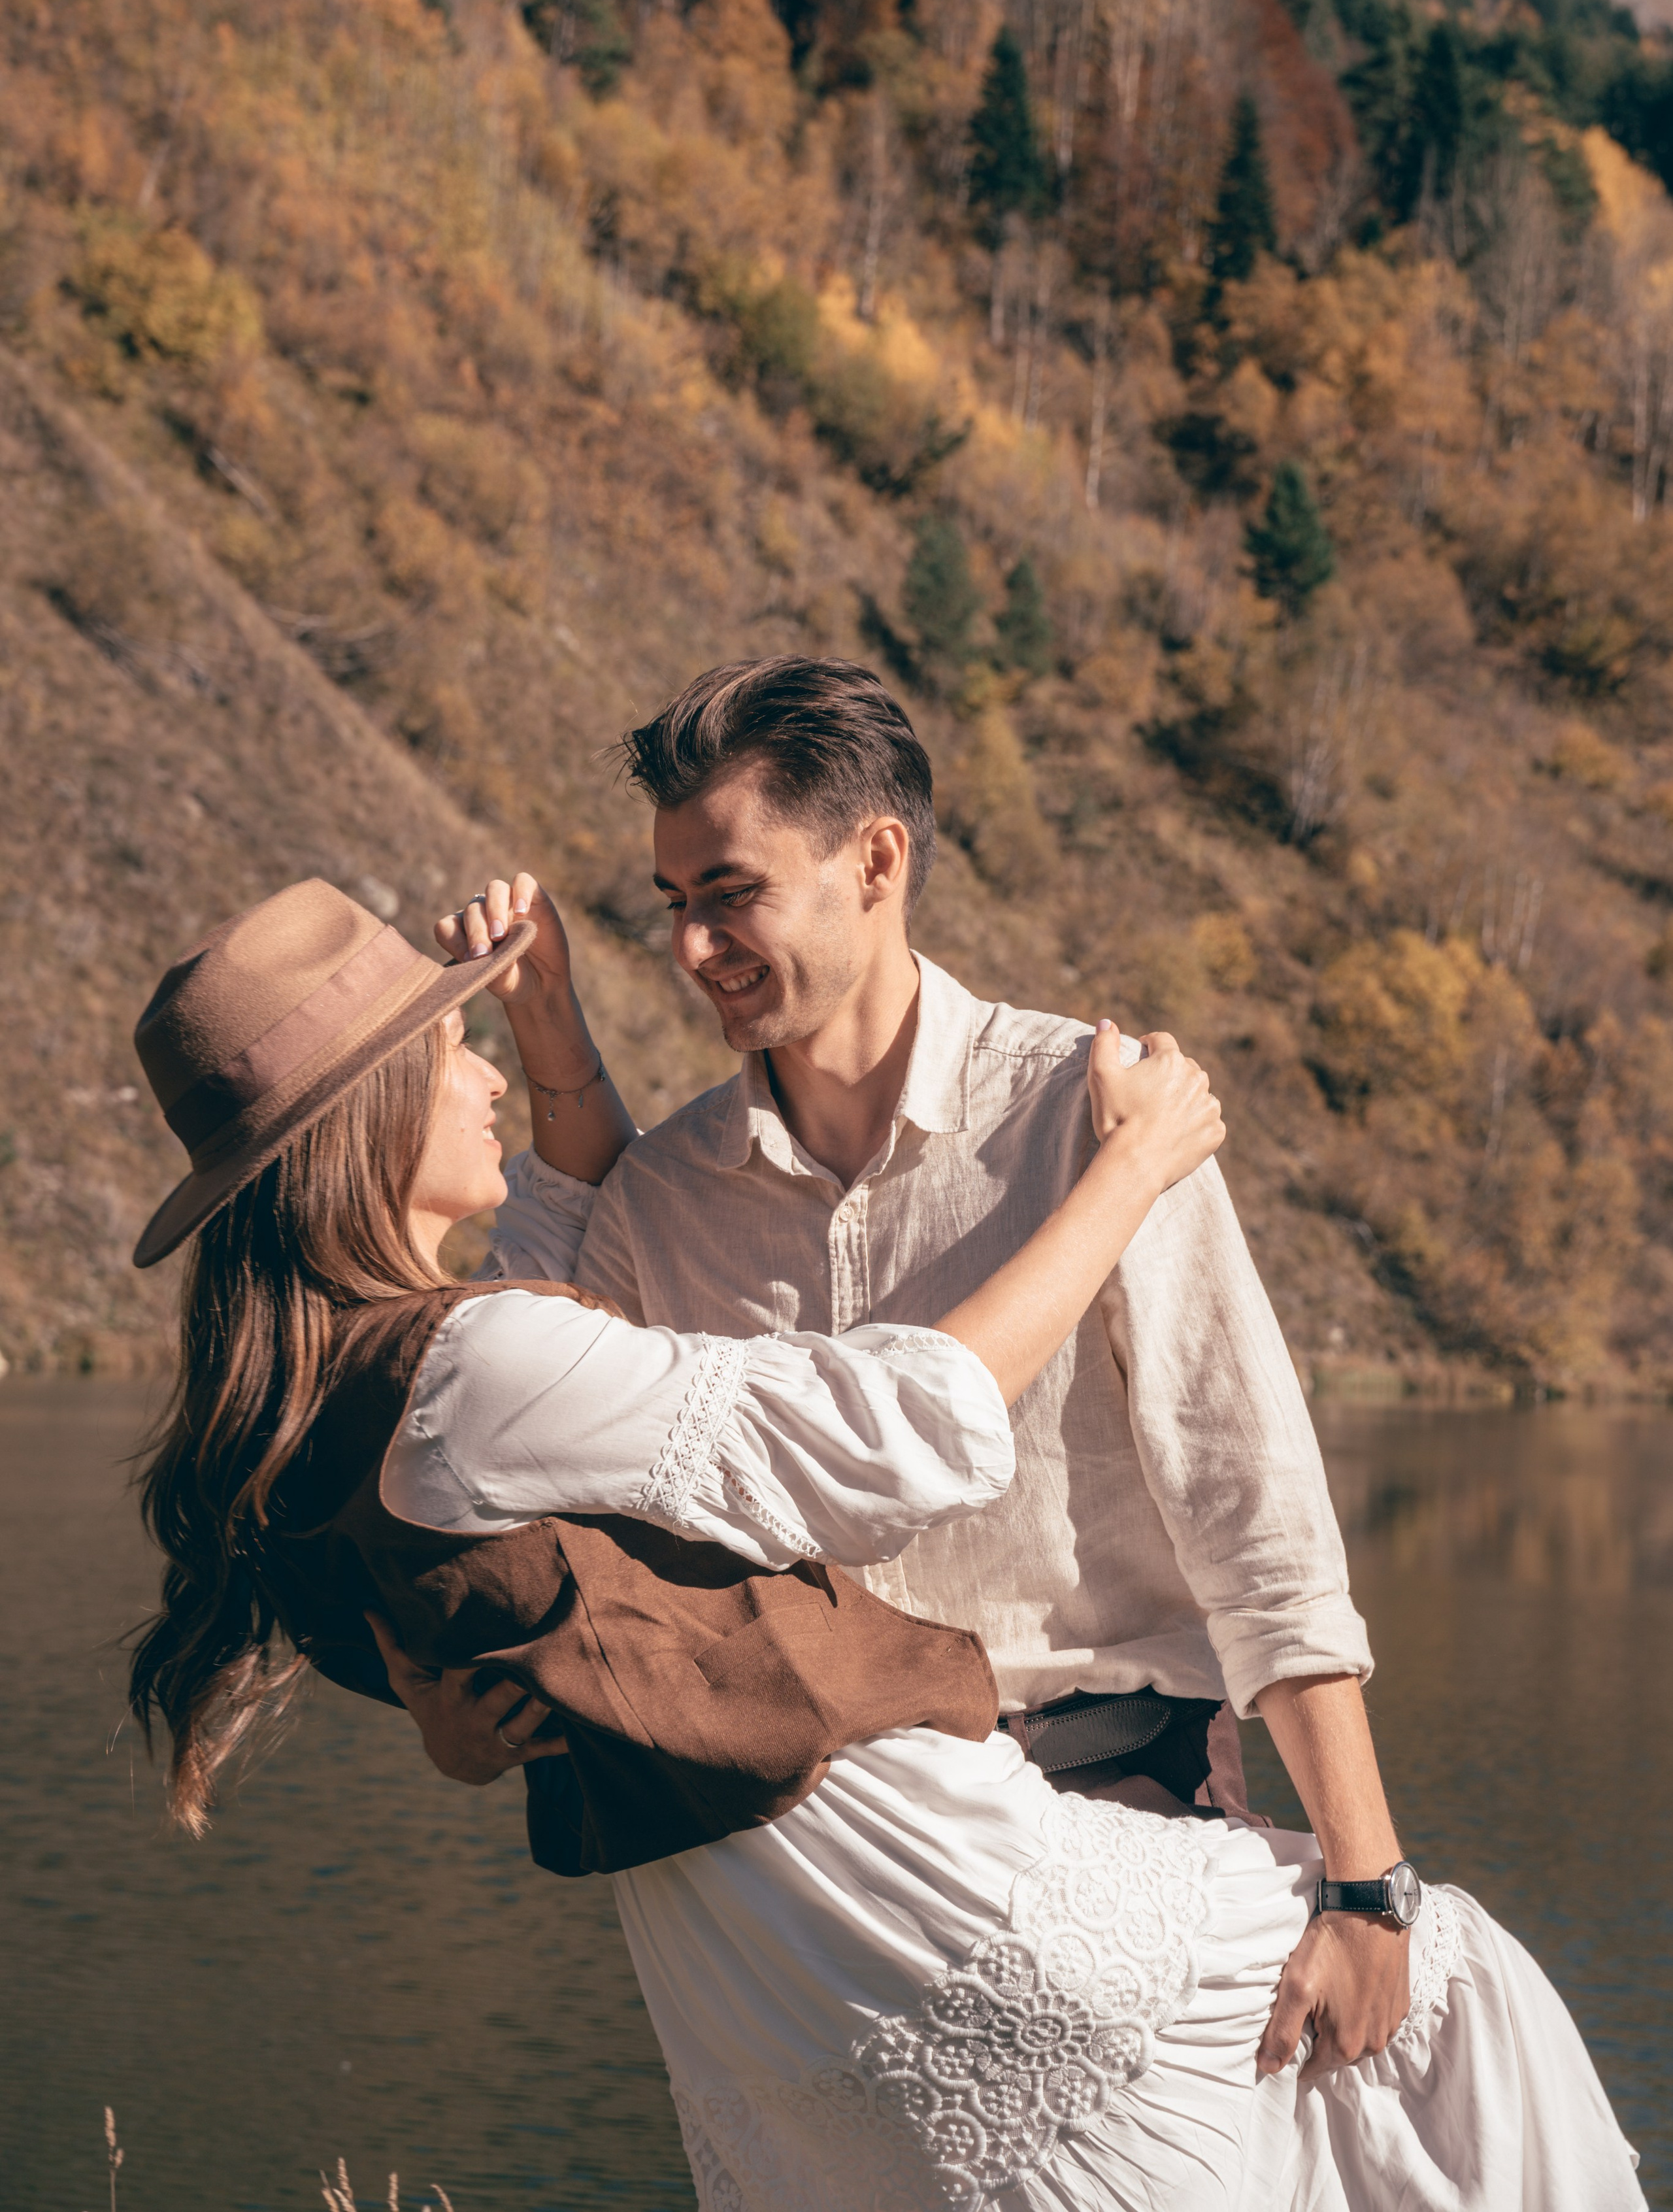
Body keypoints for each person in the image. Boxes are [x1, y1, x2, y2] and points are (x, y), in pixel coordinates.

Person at [124, 874, 1644, 2211]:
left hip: (738, 1960)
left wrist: (550, 1031)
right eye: (445, 1052)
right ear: (370, 1119)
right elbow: (889, 1424)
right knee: (1444, 2004)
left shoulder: (311, 1409)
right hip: (901, 1866)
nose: (478, 1079)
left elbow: (556, 1266)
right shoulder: (476, 1367)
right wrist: (1128, 1173)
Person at [462, 658, 1388, 2071]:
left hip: (1114, 1834)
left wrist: (1363, 1883)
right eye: (673, 903)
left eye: (730, 894)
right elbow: (545, 1451)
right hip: (803, 1888)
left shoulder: (1095, 1120)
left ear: (876, 861)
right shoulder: (663, 1197)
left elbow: (1251, 1511)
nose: (692, 946)